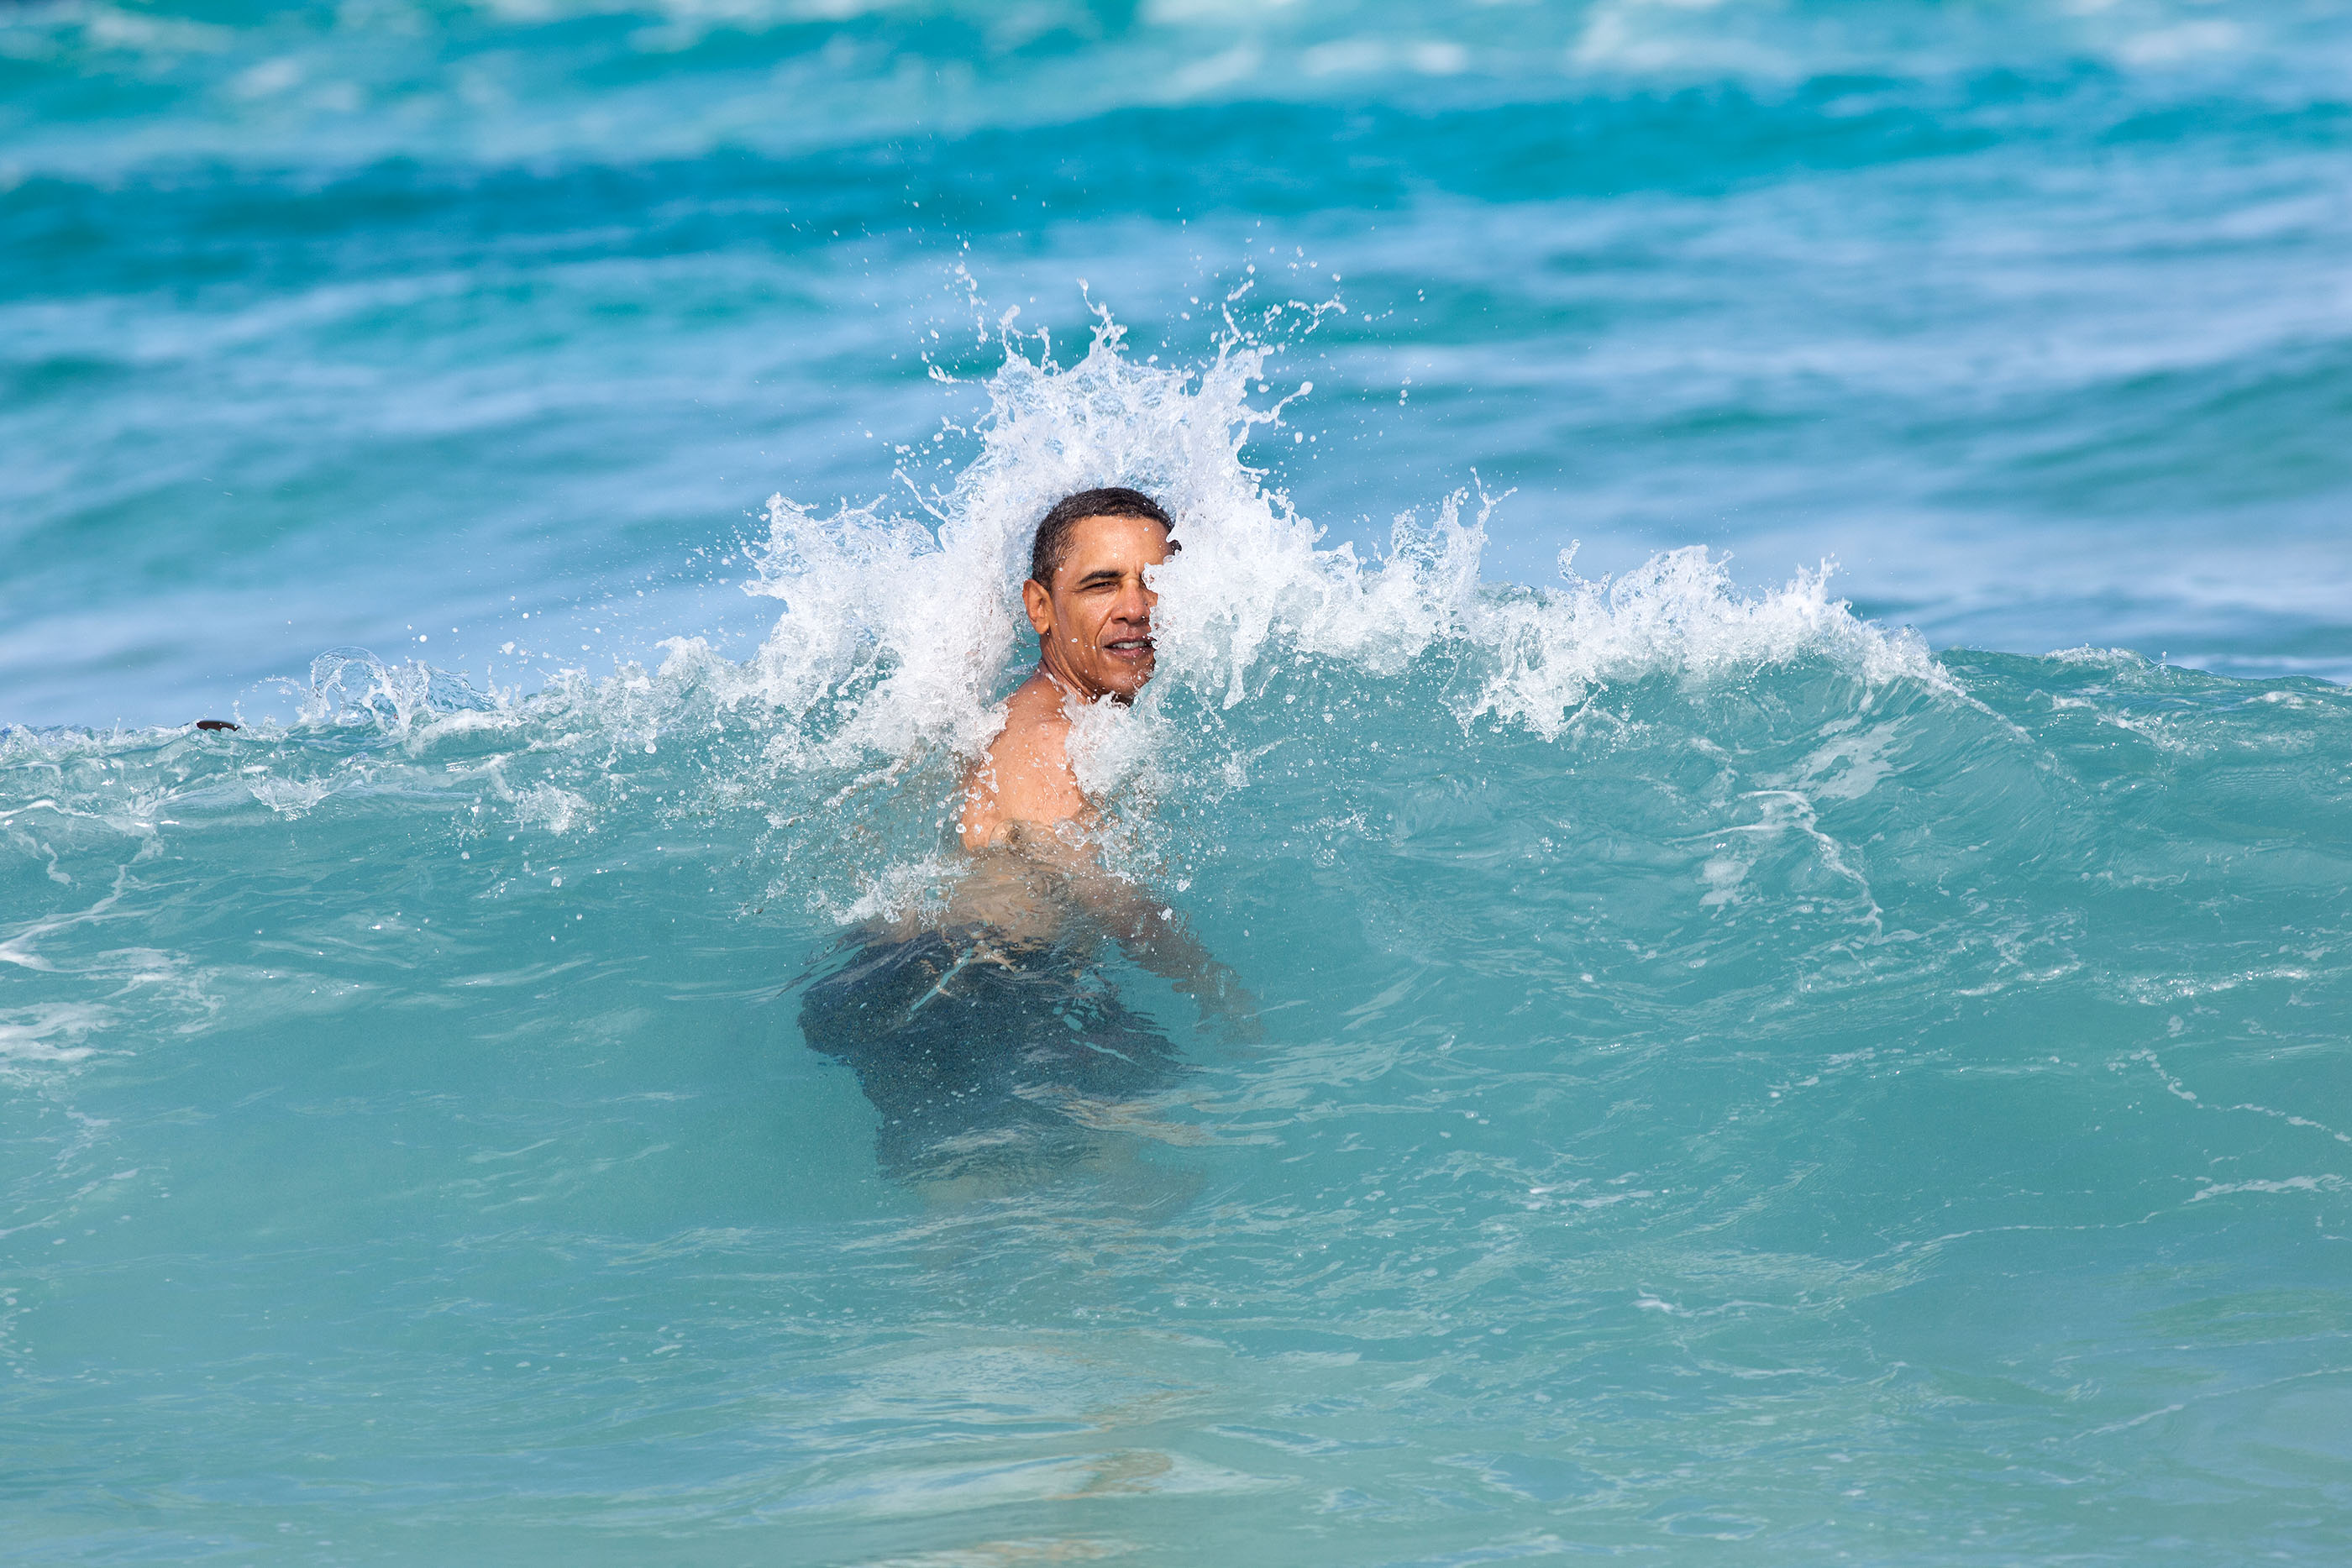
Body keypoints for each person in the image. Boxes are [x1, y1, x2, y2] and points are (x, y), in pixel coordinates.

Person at [799, 487, 1252, 1185]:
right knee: (1142, 1174)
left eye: (1154, 581)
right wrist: (1215, 987)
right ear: (1040, 606)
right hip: (965, 992)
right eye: (1103, 584)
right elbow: (1101, 892)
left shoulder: (1043, 713)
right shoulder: (1047, 738)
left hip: (928, 977)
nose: (1137, 606)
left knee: (990, 1230)